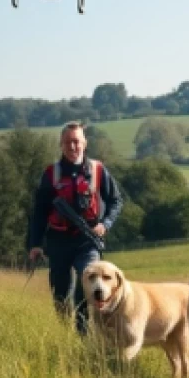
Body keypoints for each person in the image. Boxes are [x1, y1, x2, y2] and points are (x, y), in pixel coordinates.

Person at [28, 121, 125, 335]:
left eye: (76, 141)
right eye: (67, 142)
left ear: (84, 143)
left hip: (88, 241)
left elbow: (116, 201)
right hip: (58, 241)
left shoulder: (98, 170)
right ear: (61, 144)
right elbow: (40, 212)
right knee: (61, 293)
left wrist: (105, 224)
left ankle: (85, 334)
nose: (72, 146)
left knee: (88, 283)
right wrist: (35, 244)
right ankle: (65, 335)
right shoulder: (51, 173)